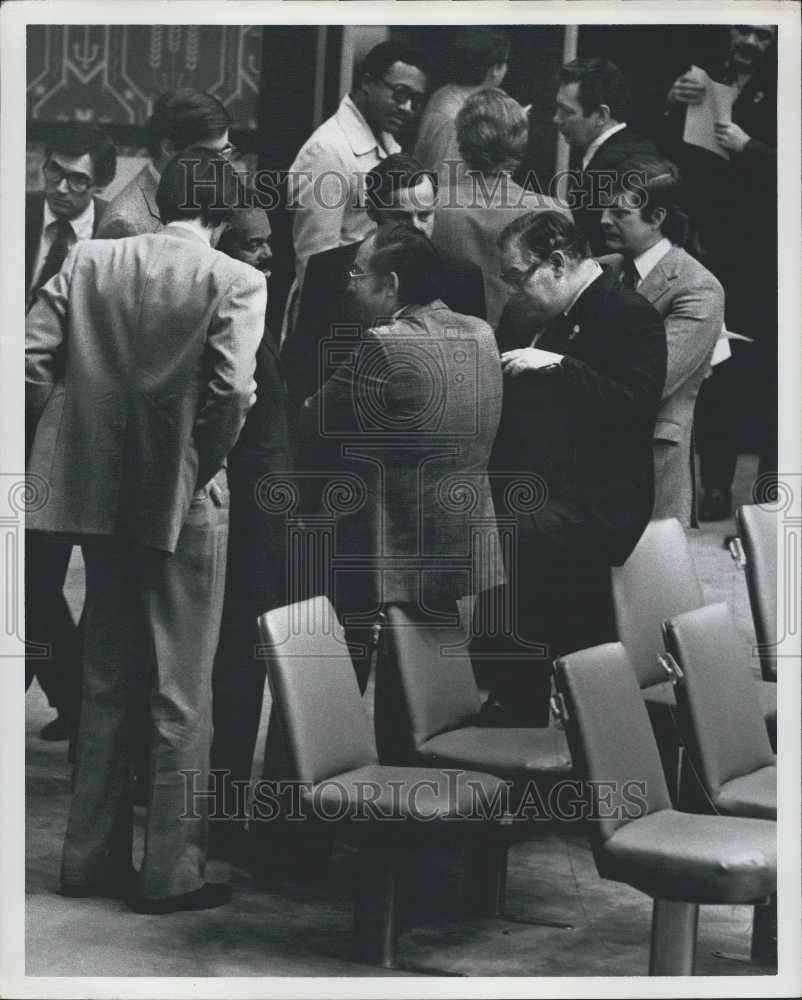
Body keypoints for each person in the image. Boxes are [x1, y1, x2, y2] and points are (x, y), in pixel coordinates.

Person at [26, 150, 265, 913]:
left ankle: (87, 860)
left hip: (97, 495)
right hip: (184, 500)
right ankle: (171, 873)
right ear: (223, 218)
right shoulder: (234, 279)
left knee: (103, 679)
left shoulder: (90, 259)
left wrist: (68, 450)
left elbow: (29, 365)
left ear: (164, 202)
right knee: (180, 692)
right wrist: (197, 467)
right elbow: (231, 394)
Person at [297, 224, 504, 704]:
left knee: (341, 680)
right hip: (460, 537)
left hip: (388, 542)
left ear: (390, 285)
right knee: (425, 692)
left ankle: (308, 775)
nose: (350, 283)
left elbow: (314, 421)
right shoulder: (481, 333)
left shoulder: (384, 344)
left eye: (358, 273)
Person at [474, 211, 666, 726]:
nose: (513, 291)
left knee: (517, 536)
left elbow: (635, 405)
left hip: (604, 498)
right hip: (549, 487)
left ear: (557, 264)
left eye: (518, 277)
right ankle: (510, 692)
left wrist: (563, 367)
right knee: (476, 519)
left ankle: (521, 696)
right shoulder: (537, 314)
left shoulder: (628, 312)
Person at [25, 122, 117, 749]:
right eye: (53, 171)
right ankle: (73, 700)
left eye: (77, 179)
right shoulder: (17, 215)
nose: (60, 187)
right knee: (26, 575)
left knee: (36, 574)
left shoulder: (114, 237)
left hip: (70, 430)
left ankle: (77, 702)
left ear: (100, 184)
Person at [209, 205, 295, 853]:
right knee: (237, 667)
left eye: (269, 245)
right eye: (253, 245)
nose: (267, 257)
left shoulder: (258, 306)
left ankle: (226, 803)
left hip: (264, 518)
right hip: (243, 520)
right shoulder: (231, 313)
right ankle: (223, 810)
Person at [665, 25, 777, 519]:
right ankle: (714, 486)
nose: (750, 40)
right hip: (712, 247)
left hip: (769, 255)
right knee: (718, 368)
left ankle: (772, 493)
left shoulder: (787, 80)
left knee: (772, 373)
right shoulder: (707, 74)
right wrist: (672, 102)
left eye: (761, 33)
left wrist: (751, 148)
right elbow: (675, 155)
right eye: (742, 29)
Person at [283, 152, 487, 412]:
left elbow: (471, 372)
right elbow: (306, 359)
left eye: (425, 215)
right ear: (372, 211)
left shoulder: (461, 277)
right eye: (401, 217)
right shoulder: (329, 269)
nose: (415, 228)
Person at [599, 157, 723, 525]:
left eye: (620, 212)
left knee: (647, 576)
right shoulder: (603, 268)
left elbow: (653, 379)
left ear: (657, 219)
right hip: (591, 458)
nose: (605, 219)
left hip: (651, 462)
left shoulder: (697, 287)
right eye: (605, 207)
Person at [287, 40, 428, 290]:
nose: (406, 108)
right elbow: (317, 260)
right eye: (400, 93)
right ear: (367, 82)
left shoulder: (388, 142)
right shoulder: (328, 151)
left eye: (415, 100)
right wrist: (363, 280)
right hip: (337, 305)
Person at [432, 88, 570, 327]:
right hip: (527, 351)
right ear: (521, 142)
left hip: (447, 345)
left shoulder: (428, 207)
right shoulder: (555, 212)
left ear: (462, 140)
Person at [95, 89, 235, 239]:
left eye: (225, 150)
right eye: (210, 154)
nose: (222, 165)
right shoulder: (125, 222)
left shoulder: (211, 195)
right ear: (168, 148)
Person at [554, 58, 660, 254]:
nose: (557, 119)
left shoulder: (611, 167)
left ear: (601, 116)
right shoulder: (634, 147)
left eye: (566, 112)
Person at [414, 28, 510, 183]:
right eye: (505, 63)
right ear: (495, 69)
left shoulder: (445, 94)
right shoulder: (455, 117)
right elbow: (444, 187)